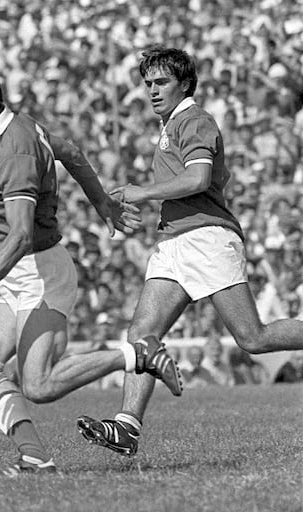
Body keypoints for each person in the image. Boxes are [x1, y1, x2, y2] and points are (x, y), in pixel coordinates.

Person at [0, 54, 182, 476]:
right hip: (21, 272)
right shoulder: (21, 126)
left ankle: (137, 353)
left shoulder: (13, 150)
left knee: (39, 385)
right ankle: (34, 456)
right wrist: (101, 203)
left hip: (39, 272)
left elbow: (21, 234)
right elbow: (72, 152)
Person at [77, 46, 303, 457]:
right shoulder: (169, 125)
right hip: (174, 241)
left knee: (253, 338)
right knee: (142, 335)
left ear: (185, 83)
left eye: (161, 82)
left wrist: (142, 193)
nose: (152, 90)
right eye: (147, 83)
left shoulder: (194, 120)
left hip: (206, 238)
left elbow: (198, 177)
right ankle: (127, 426)